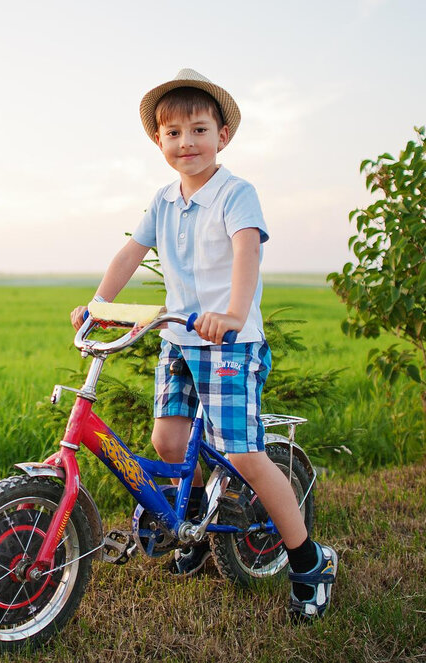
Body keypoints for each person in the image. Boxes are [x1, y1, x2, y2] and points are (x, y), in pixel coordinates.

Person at [69, 68, 338, 620]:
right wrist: (99, 305)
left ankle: (310, 562)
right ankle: (188, 530)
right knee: (168, 443)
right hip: (177, 339)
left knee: (243, 452)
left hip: (229, 345)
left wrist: (234, 313)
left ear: (223, 136)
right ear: (158, 142)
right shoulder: (163, 201)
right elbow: (127, 254)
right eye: (172, 134)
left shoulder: (236, 194)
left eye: (198, 130)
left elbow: (247, 253)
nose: (185, 143)